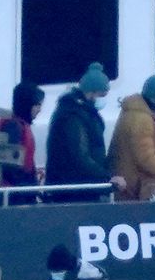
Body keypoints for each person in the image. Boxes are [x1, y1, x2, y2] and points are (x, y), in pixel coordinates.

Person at [45, 62, 125, 202]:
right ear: (92, 92)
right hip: (74, 190)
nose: (104, 98)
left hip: (82, 186)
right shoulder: (73, 116)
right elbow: (79, 155)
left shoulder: (79, 112)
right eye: (102, 94)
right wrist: (106, 177)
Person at [0, 82, 45, 205]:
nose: (40, 110)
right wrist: (29, 185)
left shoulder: (17, 124)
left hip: (19, 192)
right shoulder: (13, 126)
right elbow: (9, 165)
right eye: (37, 105)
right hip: (14, 195)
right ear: (27, 104)